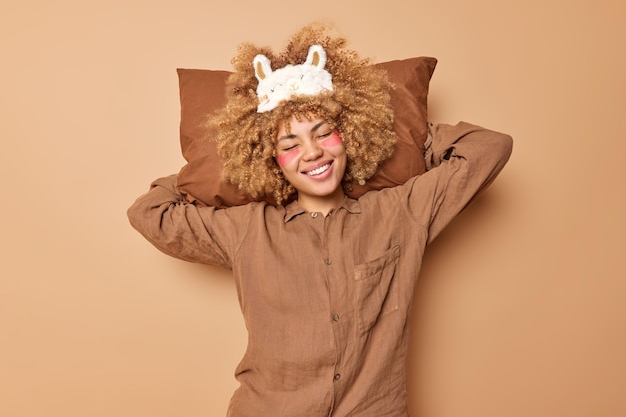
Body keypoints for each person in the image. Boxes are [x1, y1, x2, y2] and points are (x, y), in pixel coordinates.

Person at [128, 24, 512, 417]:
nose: (311, 153)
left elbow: (489, 147)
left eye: (324, 133)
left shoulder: (402, 210)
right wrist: (211, 165)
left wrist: (410, 140)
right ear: (268, 160)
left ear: (351, 135)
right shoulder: (246, 228)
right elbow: (149, 212)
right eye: (289, 145)